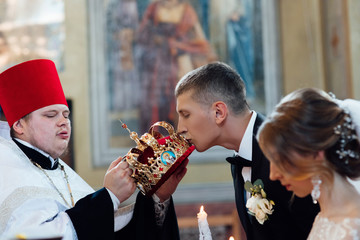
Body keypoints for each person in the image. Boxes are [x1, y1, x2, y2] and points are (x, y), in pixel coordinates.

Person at [0, 59, 187, 240]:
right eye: (50, 115)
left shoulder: (58, 169)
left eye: (66, 115)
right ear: (18, 125)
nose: (63, 122)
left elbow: (109, 232)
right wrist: (109, 196)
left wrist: (157, 197)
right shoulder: (8, 175)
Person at [175, 62, 319, 240]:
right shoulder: (239, 159)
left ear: (219, 112)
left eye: (186, 114)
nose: (180, 128)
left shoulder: (283, 149)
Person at [257, 88, 360, 240]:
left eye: (280, 160)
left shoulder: (353, 228)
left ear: (315, 153)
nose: (273, 175)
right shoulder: (324, 216)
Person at [136, 0, 216, 132]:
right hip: (157, 64)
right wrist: (155, 39)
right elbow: (142, 35)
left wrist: (179, 45)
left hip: (180, 62)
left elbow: (200, 40)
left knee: (182, 97)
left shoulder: (186, 10)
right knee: (156, 100)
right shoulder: (154, 8)